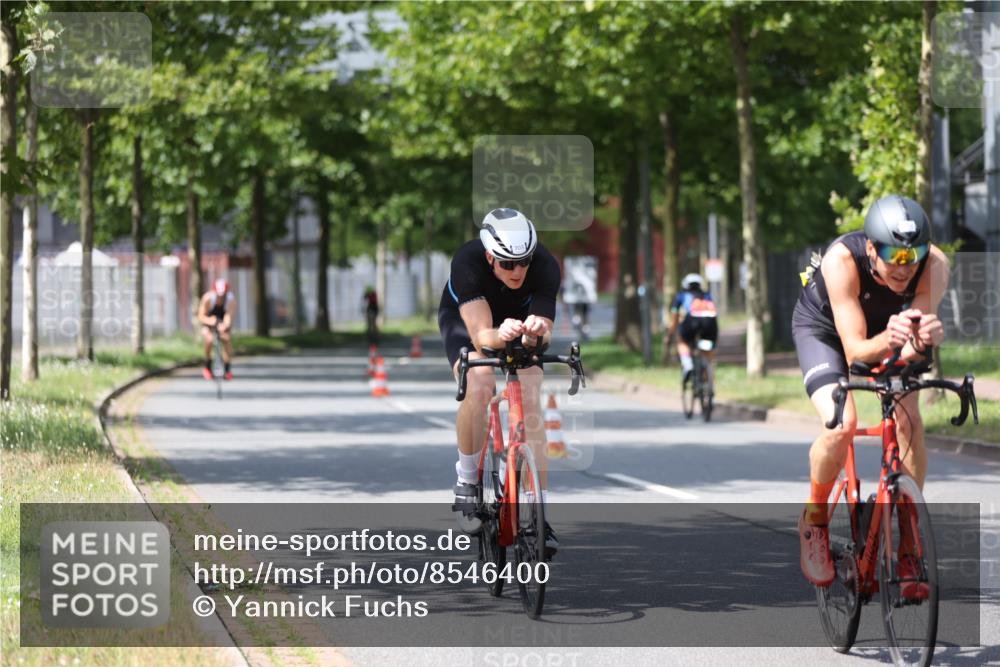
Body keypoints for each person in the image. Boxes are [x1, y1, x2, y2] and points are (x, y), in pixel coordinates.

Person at [792, 195, 948, 593]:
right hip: (828, 332)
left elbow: (912, 348)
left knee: (909, 421)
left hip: (889, 332)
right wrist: (894, 340)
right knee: (841, 424)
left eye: (912, 255)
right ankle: (814, 520)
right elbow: (856, 352)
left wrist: (922, 341)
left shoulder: (934, 265)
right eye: (894, 255)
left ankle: (909, 544)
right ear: (872, 249)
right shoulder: (841, 262)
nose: (904, 267)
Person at [438, 208, 561, 554]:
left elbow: (545, 334)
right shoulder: (468, 263)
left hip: (518, 324)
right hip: (468, 322)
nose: (518, 270)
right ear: (490, 256)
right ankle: (467, 481)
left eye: (524, 261)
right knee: (480, 382)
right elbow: (481, 338)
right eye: (508, 263)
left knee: (531, 391)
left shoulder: (545, 266)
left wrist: (536, 334)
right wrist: (500, 333)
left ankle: (537, 513)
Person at [665, 273, 718, 385]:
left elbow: (674, 316)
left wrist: (671, 332)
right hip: (710, 324)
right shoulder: (707, 295)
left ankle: (687, 364)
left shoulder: (681, 296)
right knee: (708, 353)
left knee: (682, 341)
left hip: (691, 323)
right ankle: (710, 381)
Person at [197, 278, 237, 380]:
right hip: (209, 320)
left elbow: (229, 316)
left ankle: (227, 369)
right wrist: (210, 321)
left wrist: (225, 325)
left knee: (226, 338)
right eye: (219, 295)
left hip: (222, 319)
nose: (221, 297)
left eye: (223, 295)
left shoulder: (231, 300)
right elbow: (201, 316)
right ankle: (207, 365)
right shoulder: (207, 298)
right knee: (209, 339)